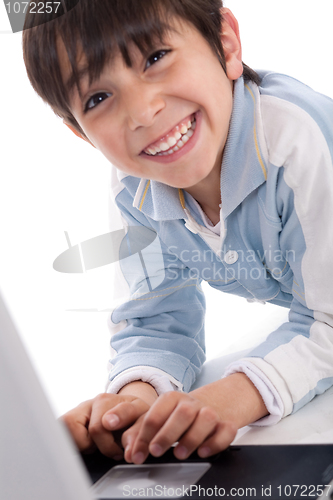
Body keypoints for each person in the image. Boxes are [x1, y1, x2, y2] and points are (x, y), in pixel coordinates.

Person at [22, 0, 333, 465]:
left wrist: (229, 397)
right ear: (80, 133)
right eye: (97, 99)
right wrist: (134, 402)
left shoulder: (299, 142)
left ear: (225, 44)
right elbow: (155, 317)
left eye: (154, 58)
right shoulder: (136, 187)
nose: (143, 112)